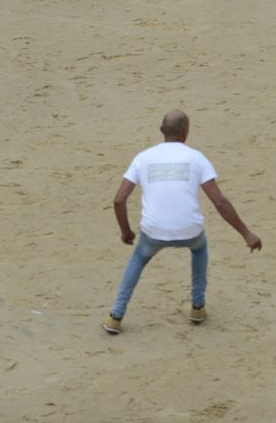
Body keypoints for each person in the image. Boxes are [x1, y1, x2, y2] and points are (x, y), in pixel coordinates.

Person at [104, 110, 262, 335]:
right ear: (186, 132)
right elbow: (219, 201)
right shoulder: (197, 158)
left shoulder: (143, 158)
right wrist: (246, 233)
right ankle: (197, 307)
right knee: (199, 249)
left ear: (161, 131)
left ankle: (115, 316)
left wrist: (126, 231)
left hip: (154, 232)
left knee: (139, 257)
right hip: (190, 230)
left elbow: (119, 200)